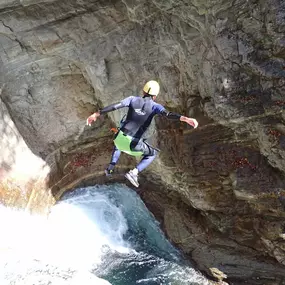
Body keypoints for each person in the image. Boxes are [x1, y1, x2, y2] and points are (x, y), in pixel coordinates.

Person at [86, 80, 198, 187]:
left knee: (119, 144)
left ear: (143, 92)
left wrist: (96, 114)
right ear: (155, 96)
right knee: (152, 153)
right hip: (132, 143)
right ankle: (134, 172)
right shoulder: (155, 106)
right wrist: (185, 118)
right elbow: (167, 114)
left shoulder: (132, 99)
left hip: (118, 138)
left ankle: (110, 167)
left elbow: (115, 106)